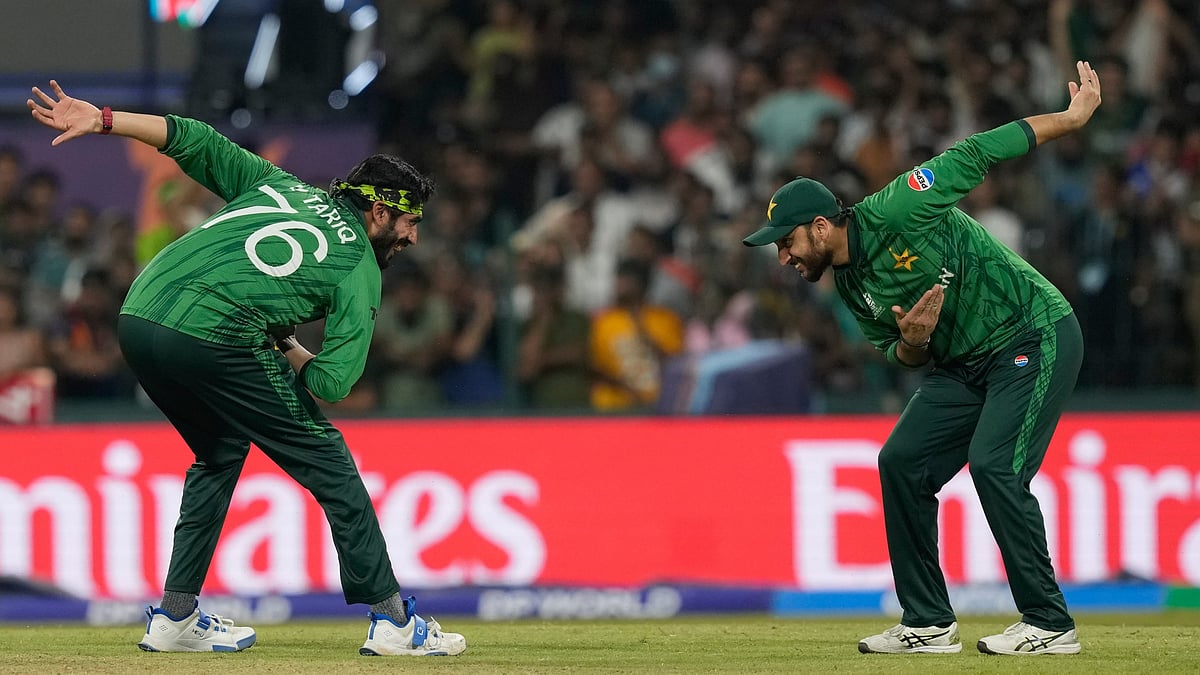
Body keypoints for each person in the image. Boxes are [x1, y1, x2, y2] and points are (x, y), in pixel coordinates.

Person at [27, 80, 466, 657]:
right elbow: (333, 384)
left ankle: (176, 617)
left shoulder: (281, 185)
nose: (413, 236)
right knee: (330, 463)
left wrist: (105, 119)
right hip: (212, 334)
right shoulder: (360, 265)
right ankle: (395, 623)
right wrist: (286, 345)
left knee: (220, 451)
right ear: (379, 211)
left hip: (138, 316)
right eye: (410, 221)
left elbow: (194, 138)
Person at [741, 61, 1103, 656]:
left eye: (786, 242)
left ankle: (1049, 623)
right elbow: (900, 354)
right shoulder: (850, 286)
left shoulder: (897, 209)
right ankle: (929, 623)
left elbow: (978, 152)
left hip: (1032, 333)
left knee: (995, 467)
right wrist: (912, 338)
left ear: (822, 226)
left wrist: (1070, 118)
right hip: (962, 364)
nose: (782, 257)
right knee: (901, 463)